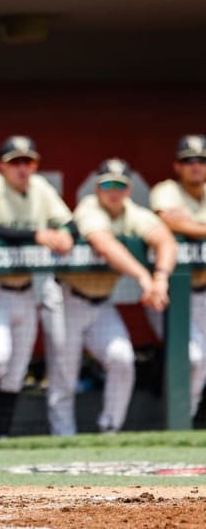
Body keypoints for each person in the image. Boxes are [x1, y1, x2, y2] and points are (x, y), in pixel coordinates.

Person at [42, 158, 177, 435]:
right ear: (97, 187)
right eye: (107, 185)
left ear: (128, 189)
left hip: (102, 302)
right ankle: (62, 436)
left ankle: (110, 428)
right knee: (64, 375)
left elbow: (166, 239)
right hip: (67, 298)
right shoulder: (89, 207)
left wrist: (161, 277)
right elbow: (104, 244)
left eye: (119, 185)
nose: (113, 191)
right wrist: (143, 277)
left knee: (122, 359)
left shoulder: (132, 212)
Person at [0, 136, 74, 440]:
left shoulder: (40, 187)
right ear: (2, 166)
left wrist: (65, 232)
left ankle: (1, 436)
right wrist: (37, 235)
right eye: (15, 162)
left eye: (28, 162)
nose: (23, 169)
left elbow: (70, 221)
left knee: (15, 372)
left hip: (26, 291)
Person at [148, 135, 206, 418]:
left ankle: (190, 420)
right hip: (171, 294)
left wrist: (193, 225)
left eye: (201, 161)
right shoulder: (166, 190)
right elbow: (172, 220)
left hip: (203, 292)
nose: (195, 166)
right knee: (193, 358)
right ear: (177, 166)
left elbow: (186, 223)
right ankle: (183, 419)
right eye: (188, 161)